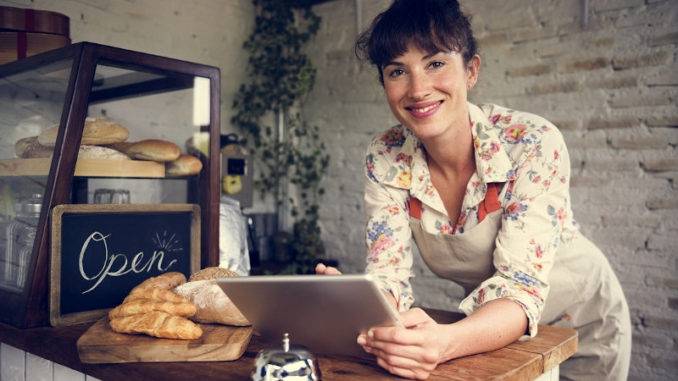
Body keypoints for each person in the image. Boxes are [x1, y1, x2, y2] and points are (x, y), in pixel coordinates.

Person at [316, 0, 632, 380]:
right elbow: (389, 274)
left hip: (581, 323)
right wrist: (363, 306)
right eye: (398, 71)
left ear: (471, 71)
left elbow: (520, 287)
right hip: (488, 328)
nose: (418, 89)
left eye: (435, 63)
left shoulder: (530, 143)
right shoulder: (385, 156)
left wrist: (444, 342)